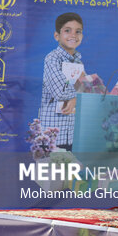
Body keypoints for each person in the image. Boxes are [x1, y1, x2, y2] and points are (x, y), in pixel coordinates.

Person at [39, 12, 85, 151]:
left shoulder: (78, 61)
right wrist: (77, 96)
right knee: (50, 171)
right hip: (52, 132)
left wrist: (77, 97)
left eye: (78, 31)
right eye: (67, 30)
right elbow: (60, 91)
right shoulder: (52, 59)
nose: (73, 35)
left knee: (69, 171)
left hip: (71, 133)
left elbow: (87, 89)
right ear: (57, 36)